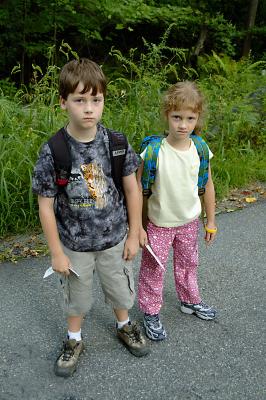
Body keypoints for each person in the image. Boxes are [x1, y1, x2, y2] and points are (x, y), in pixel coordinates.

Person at [32, 58, 149, 378]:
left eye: (95, 100)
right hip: (75, 245)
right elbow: (46, 205)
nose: (88, 108)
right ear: (63, 102)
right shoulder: (54, 150)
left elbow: (132, 188)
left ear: (103, 101)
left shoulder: (116, 143)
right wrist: (56, 251)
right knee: (77, 298)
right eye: (79, 100)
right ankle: (73, 340)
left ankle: (124, 326)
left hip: (115, 238)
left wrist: (135, 230)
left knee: (120, 289)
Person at [137, 81, 218, 341]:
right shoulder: (153, 152)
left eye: (190, 118)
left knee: (188, 264)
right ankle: (150, 311)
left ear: (197, 118)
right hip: (159, 224)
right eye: (177, 117)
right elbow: (139, 191)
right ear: (167, 116)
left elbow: (207, 185)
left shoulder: (201, 150)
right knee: (154, 268)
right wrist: (137, 227)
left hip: (189, 222)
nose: (183, 124)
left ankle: (189, 300)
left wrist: (211, 221)